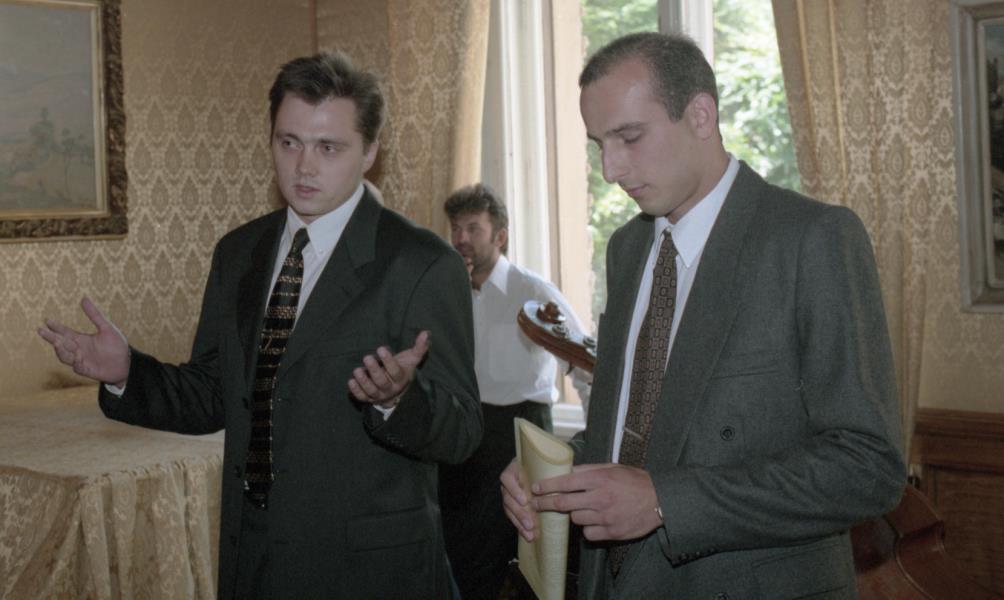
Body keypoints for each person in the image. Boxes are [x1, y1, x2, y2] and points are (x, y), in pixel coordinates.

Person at [38, 51, 481, 599]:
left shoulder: (422, 264)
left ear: (370, 152)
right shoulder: (239, 253)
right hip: (253, 560)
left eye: (328, 147)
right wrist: (128, 371)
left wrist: (398, 399)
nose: (304, 167)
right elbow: (213, 394)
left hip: (368, 572)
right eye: (288, 142)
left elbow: (463, 431)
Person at [500, 32, 905, 599]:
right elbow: (639, 427)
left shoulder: (811, 239)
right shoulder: (627, 248)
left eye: (629, 137)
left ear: (700, 115)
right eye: (599, 145)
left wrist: (666, 503)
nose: (611, 168)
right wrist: (556, 475)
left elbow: (868, 466)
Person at [438, 183, 591, 599]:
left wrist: (599, 439)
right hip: (462, 439)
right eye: (456, 228)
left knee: (512, 559)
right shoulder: (446, 294)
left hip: (519, 433)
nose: (461, 238)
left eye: (473, 228)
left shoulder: (533, 293)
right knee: (457, 551)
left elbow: (583, 365)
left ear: (500, 235)